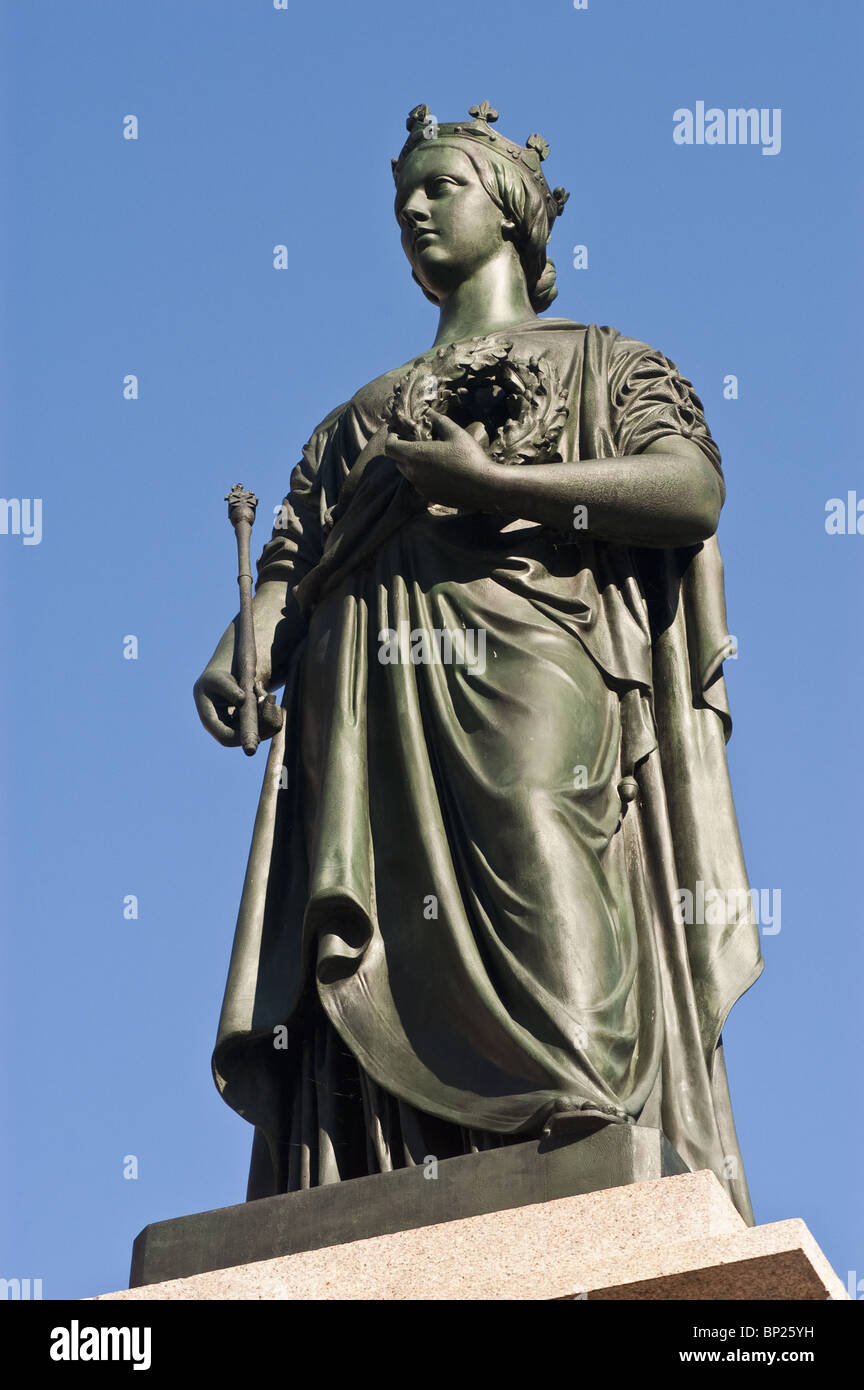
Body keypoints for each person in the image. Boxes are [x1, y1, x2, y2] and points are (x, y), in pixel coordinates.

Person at [193, 102, 763, 1221]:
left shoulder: (610, 362)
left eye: (437, 185)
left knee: (537, 827)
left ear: (509, 208)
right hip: (364, 698)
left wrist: (501, 485)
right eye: (400, 193)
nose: (410, 209)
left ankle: (587, 1118)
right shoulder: (355, 415)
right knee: (375, 910)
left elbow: (690, 491)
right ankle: (379, 1168)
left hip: (536, 659)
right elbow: (296, 559)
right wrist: (242, 647)